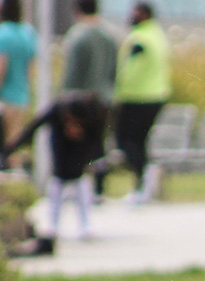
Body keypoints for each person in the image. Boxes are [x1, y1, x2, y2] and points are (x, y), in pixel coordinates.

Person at [3, 92, 108, 248]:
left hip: (83, 147)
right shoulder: (58, 110)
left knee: (79, 175)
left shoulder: (94, 115)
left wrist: (94, 160)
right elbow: (34, 126)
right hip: (60, 143)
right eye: (71, 123)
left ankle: (86, 225)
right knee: (59, 175)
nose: (74, 128)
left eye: (78, 124)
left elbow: (98, 143)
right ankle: (53, 225)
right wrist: (10, 150)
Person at [112, 2, 171, 204]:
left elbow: (130, 69)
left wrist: (117, 88)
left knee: (126, 140)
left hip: (137, 96)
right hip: (156, 94)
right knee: (139, 142)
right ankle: (145, 178)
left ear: (145, 15)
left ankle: (143, 179)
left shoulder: (141, 38)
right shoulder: (158, 34)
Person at [62, 0, 118, 202]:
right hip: (105, 96)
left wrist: (66, 98)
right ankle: (99, 188)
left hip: (82, 99)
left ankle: (76, 184)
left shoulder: (78, 36)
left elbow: (72, 72)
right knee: (99, 144)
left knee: (78, 144)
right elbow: (114, 68)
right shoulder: (110, 35)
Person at [0, 0, 37, 146]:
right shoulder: (28, 33)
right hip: (22, 96)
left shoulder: (4, 34)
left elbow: (2, 66)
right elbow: (30, 67)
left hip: (6, 97)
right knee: (14, 140)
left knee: (6, 144)